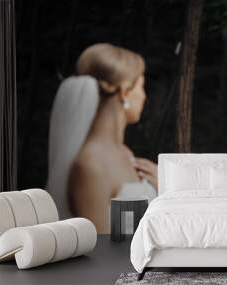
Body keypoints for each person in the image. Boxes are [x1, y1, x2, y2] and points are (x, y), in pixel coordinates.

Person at [47, 43, 157, 233]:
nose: (144, 96)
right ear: (124, 92)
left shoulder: (124, 153)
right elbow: (101, 251)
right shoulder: (91, 166)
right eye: (141, 86)